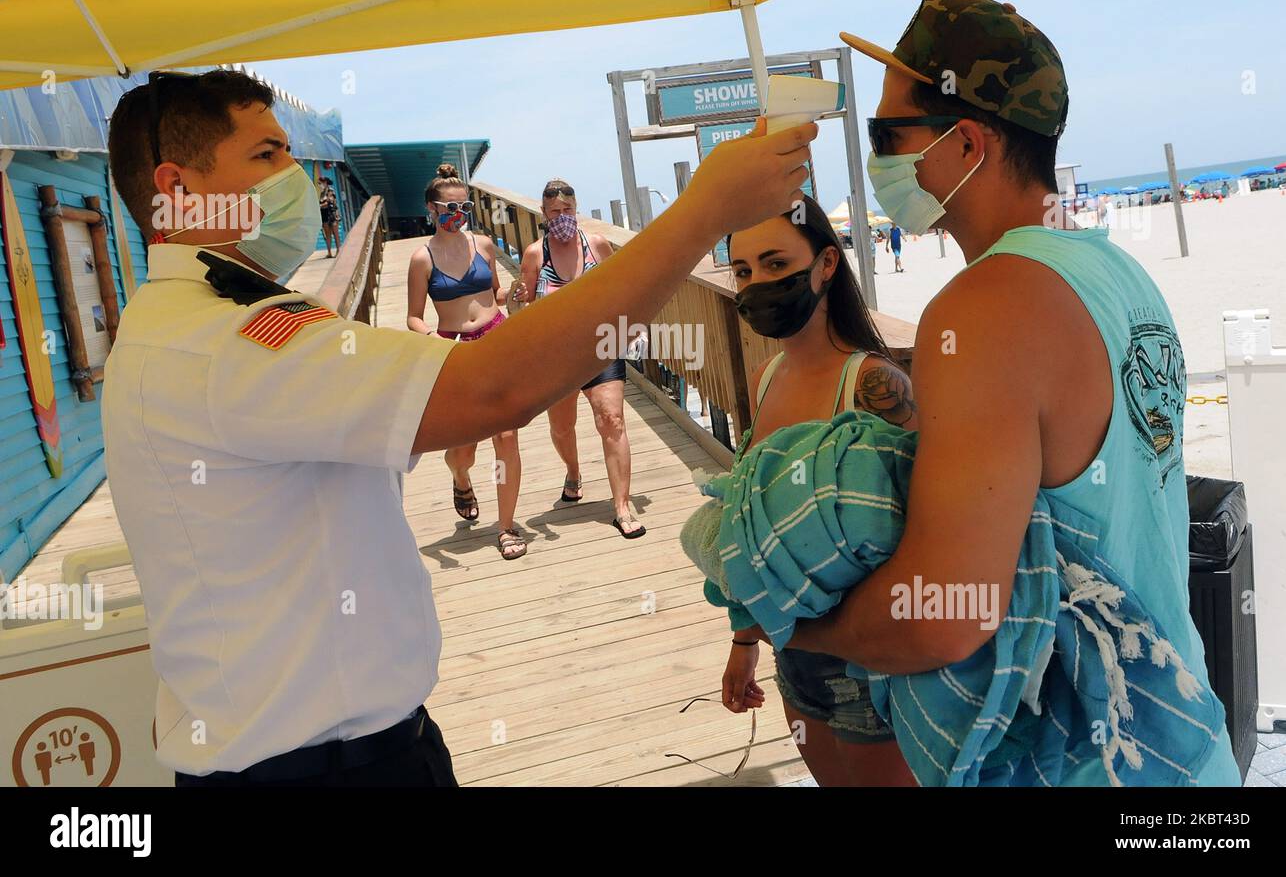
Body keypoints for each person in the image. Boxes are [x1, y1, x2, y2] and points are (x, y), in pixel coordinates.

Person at [102, 68, 815, 786]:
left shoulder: (185, 326)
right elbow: (496, 387)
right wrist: (703, 212)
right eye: (265, 155)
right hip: (322, 767)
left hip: (334, 751)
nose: (294, 176)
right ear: (178, 188)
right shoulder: (225, 342)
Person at [765, 0, 1241, 785]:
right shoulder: (1117, 272)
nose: (878, 157)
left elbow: (949, 616)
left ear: (968, 144)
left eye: (890, 135)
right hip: (1179, 741)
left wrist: (798, 623)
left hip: (1085, 762)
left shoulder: (986, 308)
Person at [716, 194, 918, 786]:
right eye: (744, 271)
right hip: (793, 657)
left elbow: (925, 530)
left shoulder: (875, 384)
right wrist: (744, 639)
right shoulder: (765, 380)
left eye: (777, 265)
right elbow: (752, 525)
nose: (757, 285)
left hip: (872, 667)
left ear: (827, 265)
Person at [406, 163, 526, 559]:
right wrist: (433, 341)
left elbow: (496, 294)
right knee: (464, 448)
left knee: (506, 438)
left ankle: (506, 526)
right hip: (454, 350)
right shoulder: (422, 259)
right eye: (449, 207)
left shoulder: (484, 246)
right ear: (431, 209)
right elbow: (414, 316)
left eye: (465, 207)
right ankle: (460, 477)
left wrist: (519, 292)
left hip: (495, 340)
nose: (457, 214)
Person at [513, 180, 645, 540]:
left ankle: (622, 506)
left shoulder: (596, 245)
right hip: (556, 355)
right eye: (554, 212)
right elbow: (523, 304)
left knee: (612, 419)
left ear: (577, 209)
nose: (561, 218)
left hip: (600, 345)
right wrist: (520, 295)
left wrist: (633, 326)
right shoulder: (534, 254)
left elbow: (620, 286)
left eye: (567, 211)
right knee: (561, 427)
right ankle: (573, 471)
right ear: (543, 213)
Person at [318, 177, 340, 257]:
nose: (319, 185)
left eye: (320, 183)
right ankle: (329, 252)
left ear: (325, 182)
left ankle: (338, 250)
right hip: (324, 215)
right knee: (327, 234)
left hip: (332, 214)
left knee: (335, 233)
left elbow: (329, 202)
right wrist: (320, 206)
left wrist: (320, 205)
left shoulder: (331, 191)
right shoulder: (322, 193)